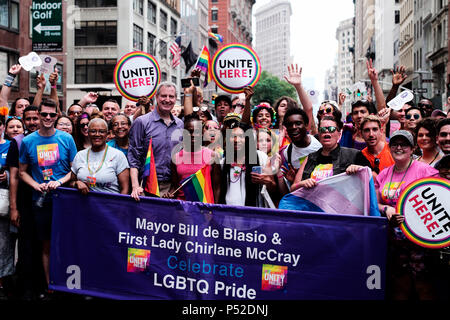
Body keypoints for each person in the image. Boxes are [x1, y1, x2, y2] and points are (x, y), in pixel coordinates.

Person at [18, 99, 77, 297]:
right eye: (44, 114)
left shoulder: (67, 139)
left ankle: (67, 283)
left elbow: (75, 170)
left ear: (57, 116)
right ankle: (50, 285)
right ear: (39, 114)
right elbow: (22, 172)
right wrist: (36, 185)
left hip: (65, 198)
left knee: (67, 242)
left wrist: (59, 182)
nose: (48, 118)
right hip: (40, 200)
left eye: (52, 115)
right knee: (45, 244)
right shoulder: (27, 141)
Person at [375, 130, 440, 300]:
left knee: (424, 287)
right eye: (395, 144)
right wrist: (386, 210)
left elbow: (440, 202)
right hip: (394, 242)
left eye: (403, 144)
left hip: (421, 243)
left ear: (412, 149)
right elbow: (376, 204)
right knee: (399, 287)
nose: (399, 148)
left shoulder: (426, 172)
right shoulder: (384, 174)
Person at [6, 105, 42, 300]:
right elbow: (13, 177)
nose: (32, 122)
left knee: (42, 245)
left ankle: (42, 285)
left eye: (35, 118)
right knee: (27, 246)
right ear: (23, 120)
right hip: (25, 202)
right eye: (28, 119)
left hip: (46, 202)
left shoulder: (52, 139)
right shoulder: (18, 142)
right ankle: (26, 290)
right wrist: (14, 208)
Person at [128, 82, 184, 200]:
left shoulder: (180, 124)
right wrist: (135, 186)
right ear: (156, 97)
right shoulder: (141, 122)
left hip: (170, 188)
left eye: (171, 96)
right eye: (163, 96)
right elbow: (134, 157)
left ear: (175, 99)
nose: (167, 100)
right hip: (145, 186)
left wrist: (175, 188)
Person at [291, 116, 371, 191]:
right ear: (319, 135)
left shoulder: (354, 155)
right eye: (322, 129)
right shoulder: (310, 157)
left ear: (339, 134)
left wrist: (359, 169)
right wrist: (303, 184)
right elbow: (293, 188)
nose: (326, 131)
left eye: (331, 129)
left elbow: (373, 179)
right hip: (312, 204)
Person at [218, 122, 277, 207]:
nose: (236, 140)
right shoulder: (223, 163)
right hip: (229, 214)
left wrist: (267, 181)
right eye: (232, 136)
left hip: (253, 214)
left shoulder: (261, 157)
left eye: (241, 136)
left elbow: (273, 188)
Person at [70, 118, 130, 195]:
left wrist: (119, 206)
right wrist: (76, 183)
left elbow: (125, 189)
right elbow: (71, 182)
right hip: (84, 204)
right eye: (93, 131)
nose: (97, 134)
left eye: (101, 131)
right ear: (88, 133)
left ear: (107, 134)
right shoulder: (80, 155)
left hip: (109, 204)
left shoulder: (118, 155)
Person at [169, 114, 220, 201]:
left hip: (204, 207)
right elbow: (175, 187)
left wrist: (214, 210)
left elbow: (216, 187)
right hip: (182, 208)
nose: (193, 135)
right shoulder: (175, 158)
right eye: (189, 131)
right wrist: (169, 195)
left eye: (196, 132)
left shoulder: (213, 156)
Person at [278, 107, 322, 196]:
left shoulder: (320, 143)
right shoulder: (287, 153)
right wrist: (293, 179)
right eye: (290, 125)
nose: (294, 127)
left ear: (306, 125)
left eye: (298, 123)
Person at [0, 114, 13, 299]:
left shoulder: (11, 146)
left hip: (3, 201)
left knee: (3, 243)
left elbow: (17, 170)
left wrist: (7, 176)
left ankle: (3, 279)